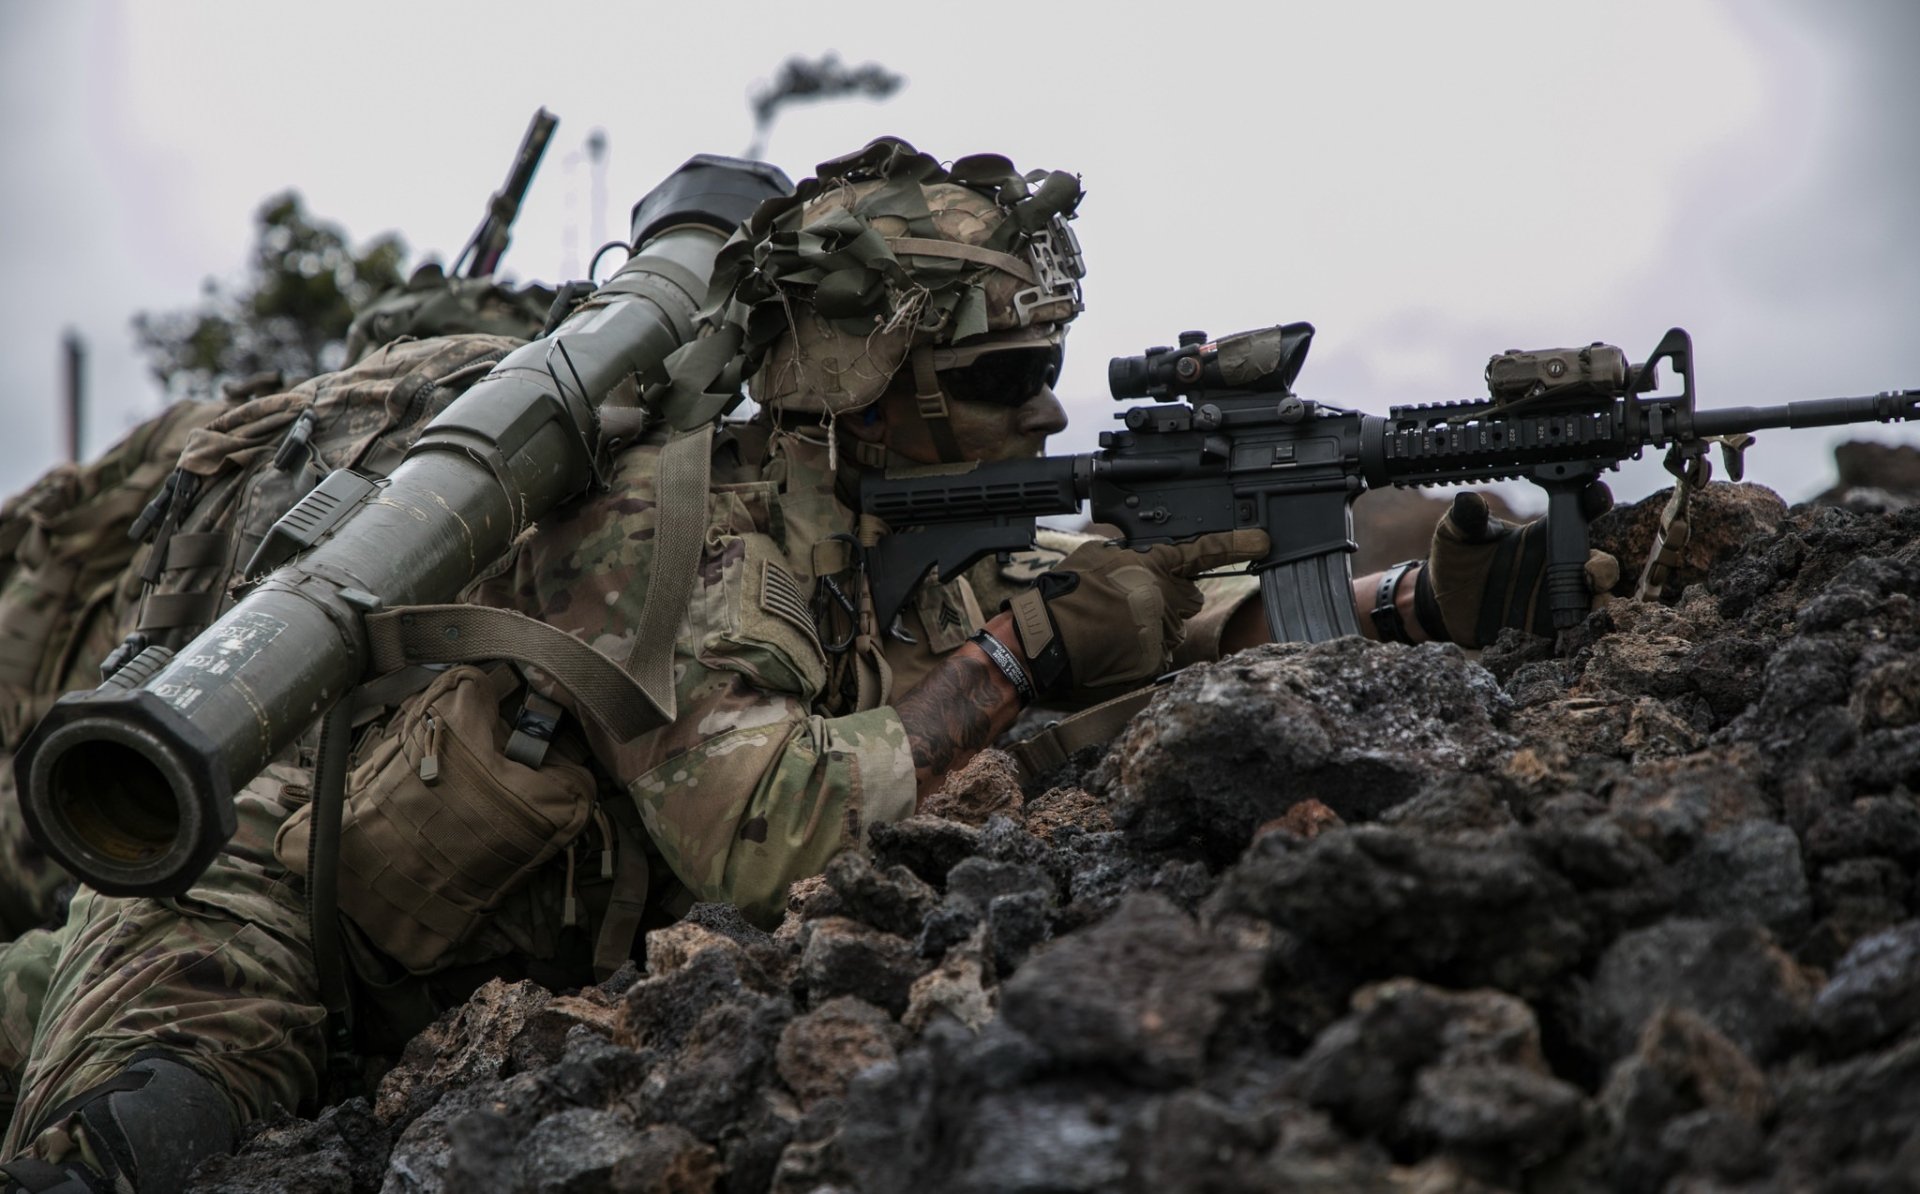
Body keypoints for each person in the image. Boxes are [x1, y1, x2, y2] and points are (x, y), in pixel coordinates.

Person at [0, 137, 1609, 1192]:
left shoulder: (904, 526)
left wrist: (1437, 585)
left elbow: (1201, 647)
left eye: (1048, 367)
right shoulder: (692, 534)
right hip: (259, 910)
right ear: (861, 382)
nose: (1046, 412)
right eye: (999, 375)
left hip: (447, 989)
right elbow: (754, 825)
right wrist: (1028, 646)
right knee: (132, 1147)